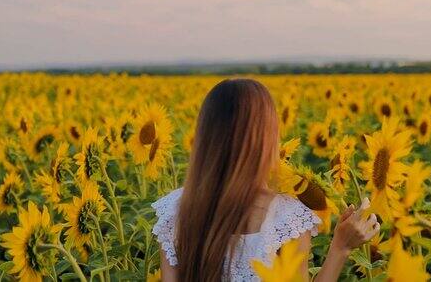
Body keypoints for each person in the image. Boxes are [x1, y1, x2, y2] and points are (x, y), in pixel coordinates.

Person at [151, 78, 380, 282]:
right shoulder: (285, 218)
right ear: (267, 138)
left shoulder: (176, 210)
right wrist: (340, 247)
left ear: (205, 138)